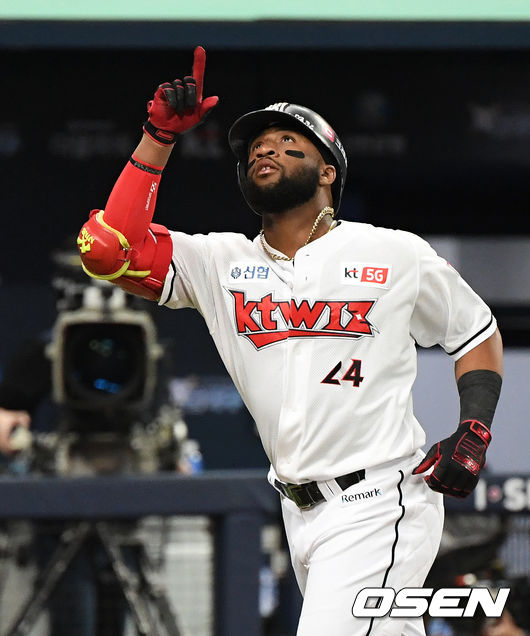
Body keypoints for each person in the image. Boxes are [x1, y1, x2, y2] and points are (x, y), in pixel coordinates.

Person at [77, 46, 504, 635]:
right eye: (256, 148)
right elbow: (108, 251)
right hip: (297, 508)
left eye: (287, 143)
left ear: (327, 172)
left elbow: (476, 331)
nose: (265, 150)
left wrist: (474, 426)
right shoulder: (219, 262)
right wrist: (158, 138)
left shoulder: (392, 251)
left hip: (379, 499)